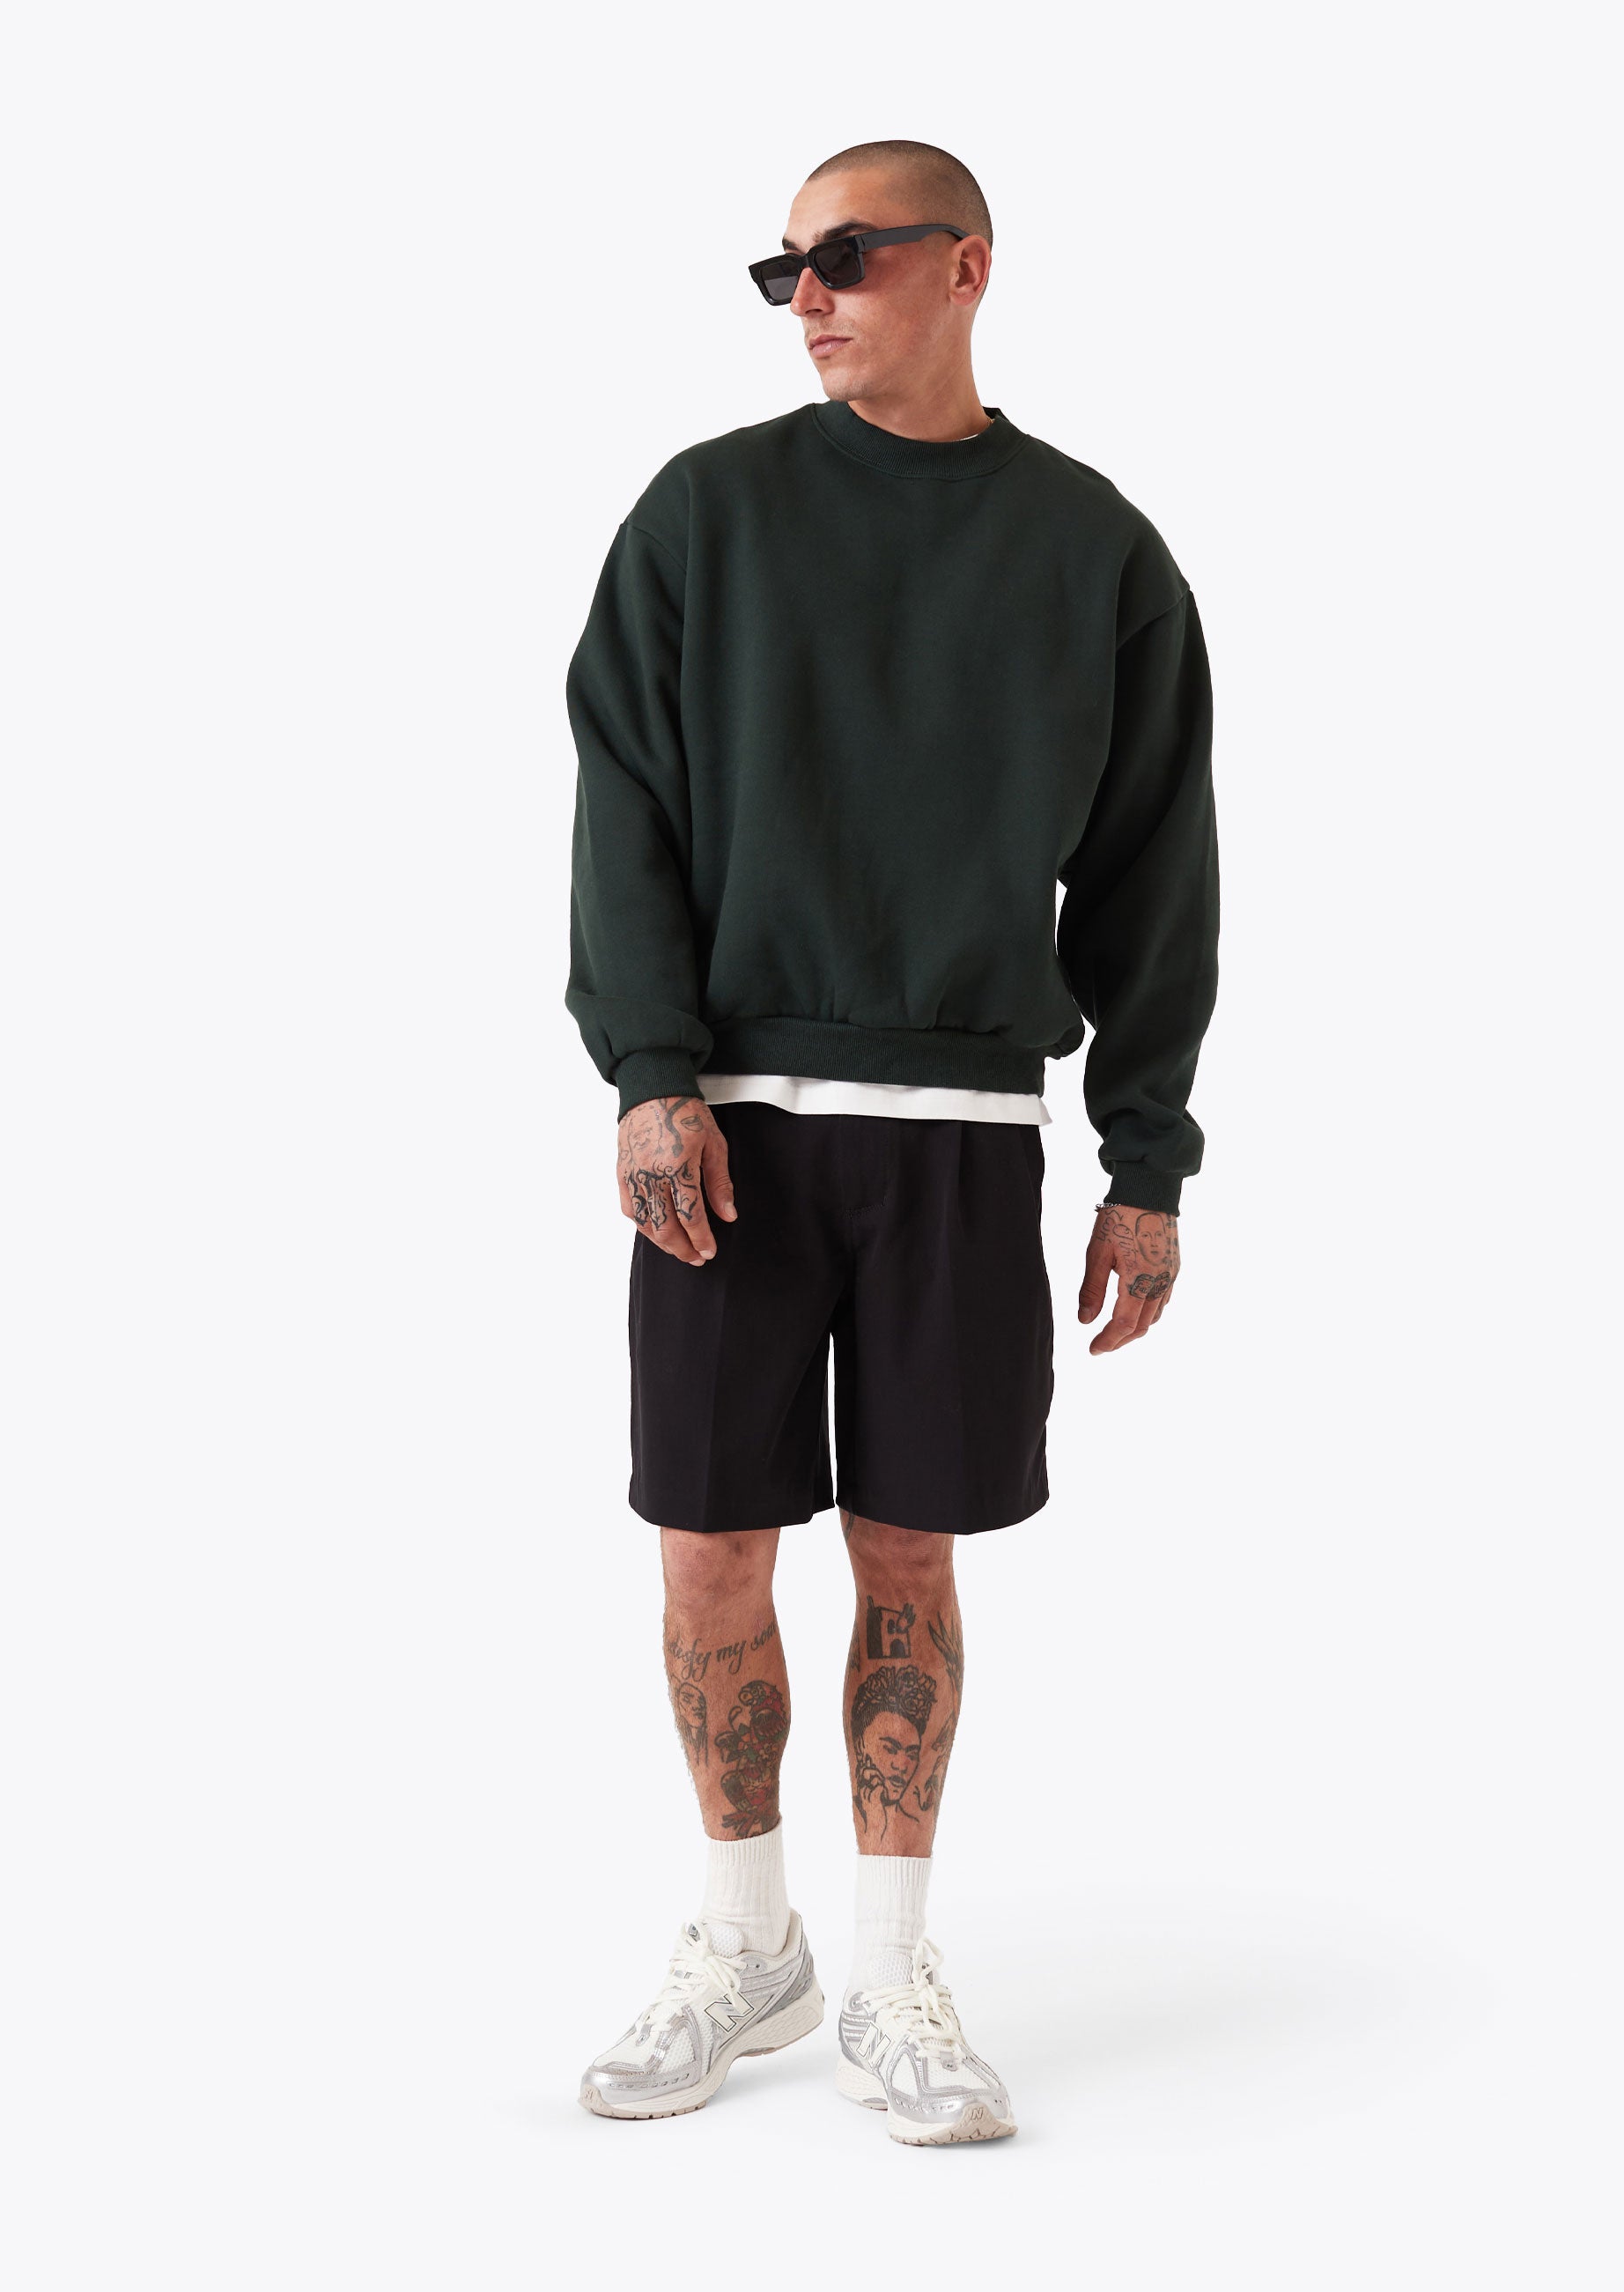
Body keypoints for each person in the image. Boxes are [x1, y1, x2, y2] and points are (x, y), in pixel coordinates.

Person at [565, 139, 1218, 2147]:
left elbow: (1154, 874)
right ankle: (740, 1937)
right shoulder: (707, 514)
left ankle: (888, 1968)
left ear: (967, 265)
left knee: (910, 1548)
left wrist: (1146, 1161)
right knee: (707, 1545)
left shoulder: (1092, 550)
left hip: (959, 1134)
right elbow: (623, 802)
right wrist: (649, 1072)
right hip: (733, 1126)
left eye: (846, 258)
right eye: (783, 271)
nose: (811, 299)